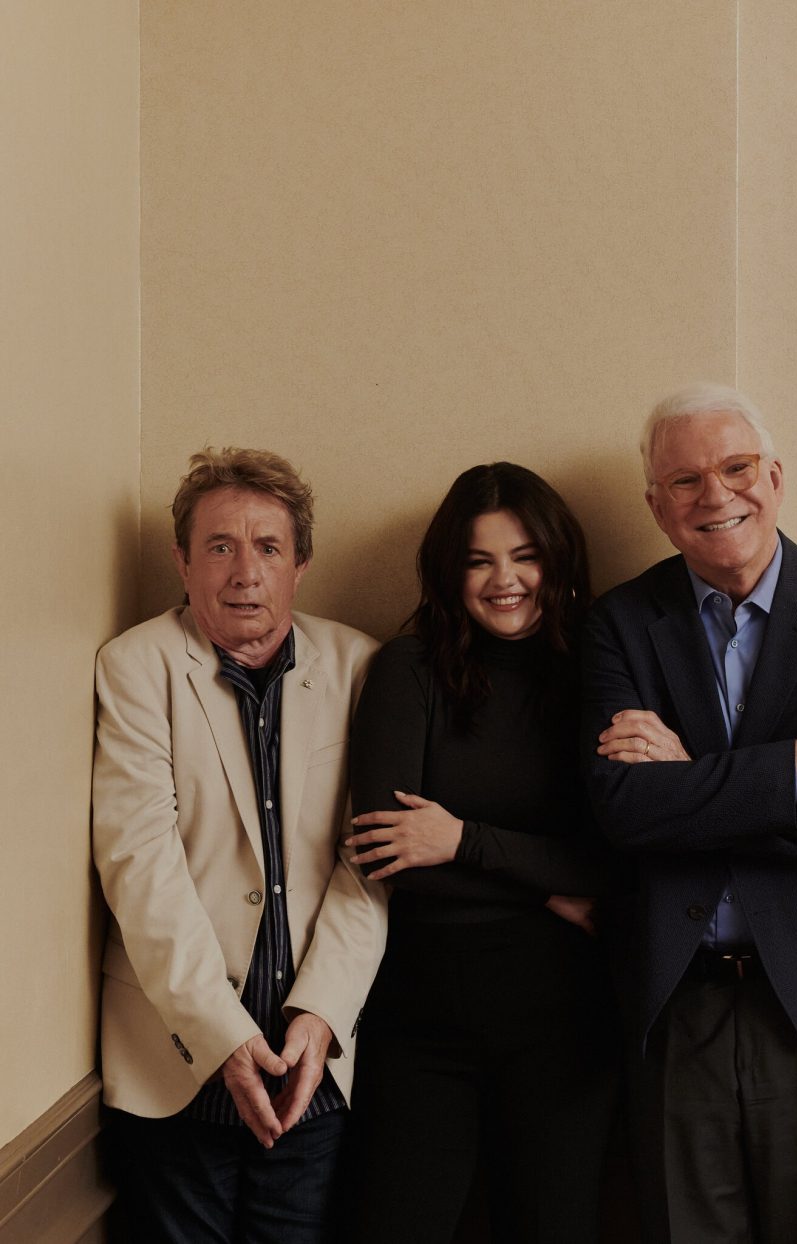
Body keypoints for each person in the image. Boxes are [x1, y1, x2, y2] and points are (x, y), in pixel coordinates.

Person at [582, 384, 797, 1244]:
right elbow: (624, 810)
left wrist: (692, 783)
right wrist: (793, 768)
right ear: (656, 506)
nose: (715, 494)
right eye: (684, 480)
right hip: (677, 1002)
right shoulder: (619, 623)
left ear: (773, 477)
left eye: (735, 467)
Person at [92, 448, 387, 1244]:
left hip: (312, 1067)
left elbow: (368, 866)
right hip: (174, 1062)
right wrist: (222, 1035)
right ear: (183, 561)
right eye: (220, 546)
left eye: (268, 548)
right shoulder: (137, 666)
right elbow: (139, 867)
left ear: (300, 565)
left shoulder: (360, 666)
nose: (245, 573)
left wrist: (321, 1015)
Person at [345, 462, 618, 1244]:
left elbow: (615, 863)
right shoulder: (408, 669)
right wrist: (548, 885)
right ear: (448, 571)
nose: (505, 581)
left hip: (566, 1022)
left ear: (558, 560)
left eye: (525, 556)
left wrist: (461, 839)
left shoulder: (600, 669)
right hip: (421, 1016)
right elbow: (388, 852)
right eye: (478, 561)